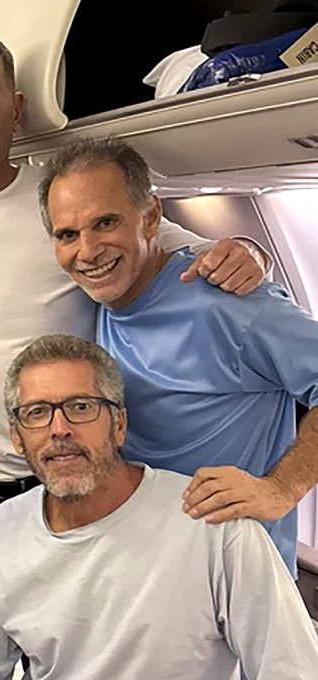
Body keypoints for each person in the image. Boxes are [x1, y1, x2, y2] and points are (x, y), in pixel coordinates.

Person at [0, 25, 271, 637]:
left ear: (17, 110)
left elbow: (177, 255)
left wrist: (251, 249)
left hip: (76, 480)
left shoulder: (64, 202)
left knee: (84, 648)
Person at [0, 334, 318, 679]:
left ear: (119, 424)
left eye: (81, 407)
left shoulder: (210, 524)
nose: (59, 429)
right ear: (17, 436)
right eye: (38, 413)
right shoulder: (4, 531)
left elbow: (293, 667)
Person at [38, 136, 318, 576]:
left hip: (237, 578)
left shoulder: (227, 302)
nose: (88, 251)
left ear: (150, 218)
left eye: (106, 223)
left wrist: (281, 488)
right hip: (151, 570)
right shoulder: (96, 303)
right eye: (68, 235)